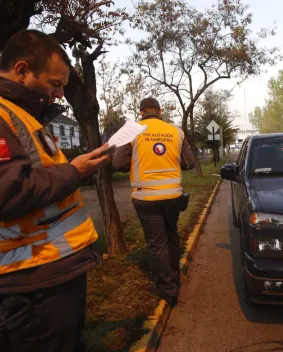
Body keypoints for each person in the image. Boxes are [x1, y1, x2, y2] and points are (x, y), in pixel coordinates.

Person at [0, 30, 111, 351]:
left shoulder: (23, 116)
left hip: (48, 274)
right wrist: (75, 171)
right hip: (30, 283)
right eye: (54, 84)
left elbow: (44, 178)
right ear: (22, 70)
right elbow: (9, 192)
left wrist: (94, 164)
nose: (61, 95)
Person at [113, 97, 195, 307]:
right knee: (171, 235)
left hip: (145, 198)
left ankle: (169, 290)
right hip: (172, 197)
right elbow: (189, 163)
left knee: (157, 243)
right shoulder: (176, 132)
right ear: (160, 111)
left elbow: (119, 163)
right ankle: (175, 277)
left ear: (141, 112)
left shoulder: (134, 131)